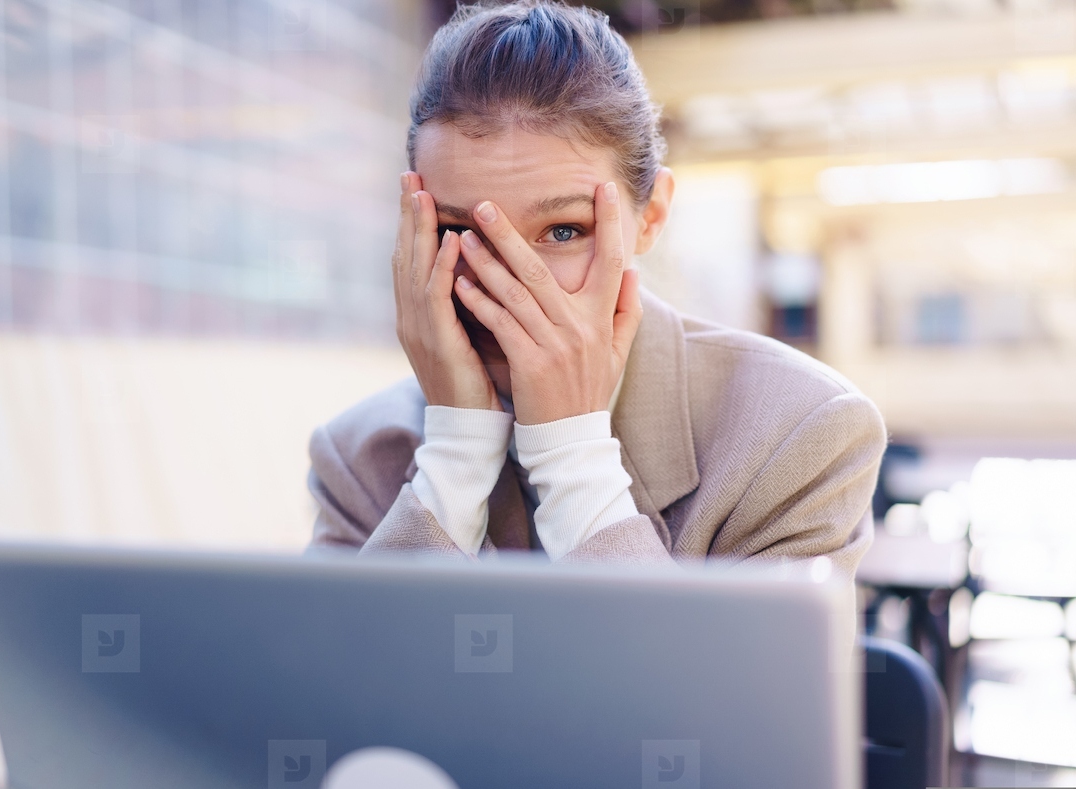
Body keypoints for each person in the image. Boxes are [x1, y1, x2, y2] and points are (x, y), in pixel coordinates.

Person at [306, 0, 886, 578]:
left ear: (651, 217)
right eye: (457, 231)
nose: (508, 287)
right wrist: (454, 462)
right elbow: (338, 671)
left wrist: (573, 462)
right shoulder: (358, 457)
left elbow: (721, 676)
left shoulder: (799, 434)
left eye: (562, 231)